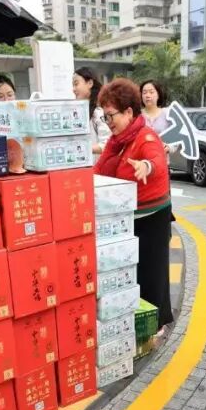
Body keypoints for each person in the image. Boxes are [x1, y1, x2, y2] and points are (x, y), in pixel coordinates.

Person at [95, 78, 174, 328]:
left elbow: (156, 160)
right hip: (128, 217)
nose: (108, 122)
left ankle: (157, 324)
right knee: (132, 274)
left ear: (129, 112)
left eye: (111, 116)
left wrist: (146, 166)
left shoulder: (145, 136)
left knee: (152, 274)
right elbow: (99, 169)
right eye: (105, 117)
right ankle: (136, 322)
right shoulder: (116, 141)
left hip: (152, 218)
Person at [73, 67, 111, 154]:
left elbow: (107, 144)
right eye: (73, 85)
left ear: (90, 83)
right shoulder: (83, 110)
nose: (73, 89)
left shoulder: (99, 111)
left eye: (76, 84)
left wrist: (82, 149)